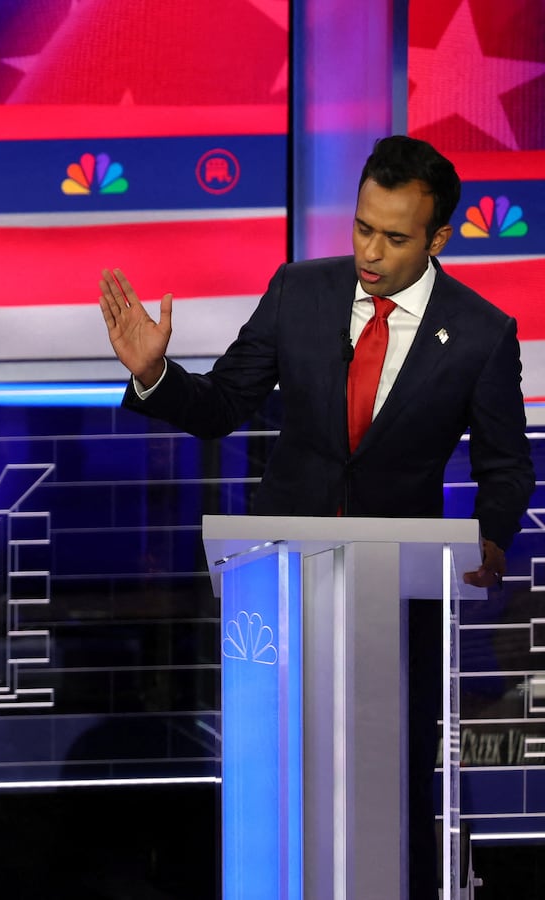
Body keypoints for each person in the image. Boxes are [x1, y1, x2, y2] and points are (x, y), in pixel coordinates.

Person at [98, 135, 534, 898]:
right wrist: (156, 374)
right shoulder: (300, 292)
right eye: (363, 227)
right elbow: (224, 406)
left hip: (399, 601)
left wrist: (491, 538)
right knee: (275, 771)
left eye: (395, 238)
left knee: (392, 776)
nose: (371, 251)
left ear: (438, 238)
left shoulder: (481, 332)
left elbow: (505, 466)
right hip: (278, 579)